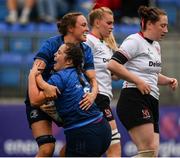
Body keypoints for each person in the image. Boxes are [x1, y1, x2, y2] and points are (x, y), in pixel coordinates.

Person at [107, 5, 178, 157]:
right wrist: (138, 81)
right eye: (162, 26)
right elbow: (113, 64)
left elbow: (150, 75)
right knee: (148, 151)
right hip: (134, 98)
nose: (166, 30)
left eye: (166, 26)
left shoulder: (156, 46)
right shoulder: (134, 40)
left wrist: (167, 80)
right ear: (150, 24)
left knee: (153, 153)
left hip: (151, 99)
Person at [25, 12, 98, 157]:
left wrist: (93, 95)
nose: (88, 29)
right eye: (83, 25)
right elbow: (35, 71)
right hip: (41, 100)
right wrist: (46, 87)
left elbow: (93, 80)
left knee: (78, 145)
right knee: (47, 148)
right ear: (71, 28)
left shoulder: (86, 50)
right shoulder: (52, 44)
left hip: (64, 101)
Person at [28, 43, 111, 157]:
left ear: (68, 61)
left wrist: (32, 75)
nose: (54, 55)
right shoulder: (80, 73)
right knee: (63, 154)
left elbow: (34, 100)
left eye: (59, 53)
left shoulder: (61, 77)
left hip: (84, 133)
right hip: (103, 129)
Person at [85, 7, 121, 157]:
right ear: (97, 22)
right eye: (109, 23)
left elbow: (113, 75)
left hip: (104, 96)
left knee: (88, 146)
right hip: (96, 97)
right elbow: (79, 68)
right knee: (114, 143)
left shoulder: (105, 45)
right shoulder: (88, 41)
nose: (112, 26)